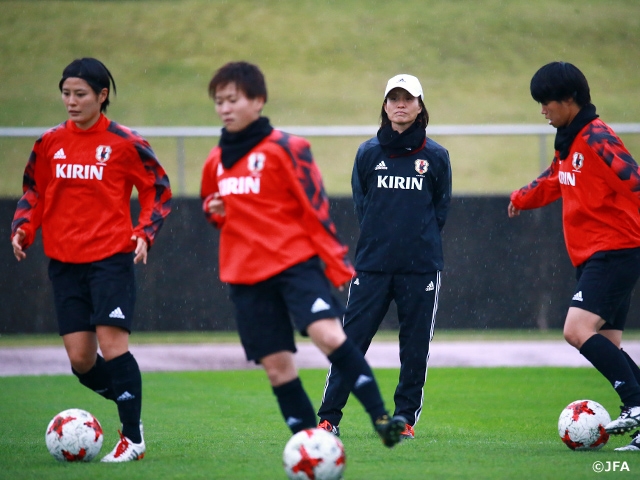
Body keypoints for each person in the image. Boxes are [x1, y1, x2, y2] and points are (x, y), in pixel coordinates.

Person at [200, 61, 406, 448]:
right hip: (245, 276)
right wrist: (216, 213)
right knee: (277, 367)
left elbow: (316, 208)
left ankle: (382, 419)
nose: (225, 108)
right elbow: (216, 211)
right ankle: (310, 448)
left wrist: (335, 262)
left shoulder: (287, 148)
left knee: (328, 334)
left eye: (233, 99)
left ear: (258, 100)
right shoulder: (215, 161)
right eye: (219, 101)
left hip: (294, 264)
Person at [11, 58, 172, 462]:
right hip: (64, 264)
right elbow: (35, 191)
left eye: (80, 94)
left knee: (113, 346)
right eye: (66, 93)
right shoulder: (49, 142)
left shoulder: (125, 143)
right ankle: (128, 405)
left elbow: (157, 188)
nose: (71, 101)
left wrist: (144, 233)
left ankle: (132, 438)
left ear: (102, 96)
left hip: (110, 260)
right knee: (82, 361)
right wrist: (23, 229)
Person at [508, 61, 640, 451]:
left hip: (615, 250)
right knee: (607, 343)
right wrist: (521, 198)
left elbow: (634, 180)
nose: (542, 110)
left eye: (545, 102)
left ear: (568, 100)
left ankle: (635, 403)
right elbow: (554, 179)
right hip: (592, 255)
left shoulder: (597, 138)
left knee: (575, 330)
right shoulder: (569, 139)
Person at [317, 74, 452, 440]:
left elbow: (440, 210)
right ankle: (329, 418)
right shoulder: (368, 153)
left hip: (420, 269)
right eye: (394, 98)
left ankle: (404, 418)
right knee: (350, 343)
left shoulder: (436, 156)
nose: (400, 104)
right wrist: (382, 241)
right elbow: (363, 205)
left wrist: (413, 244)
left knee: (414, 349)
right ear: (385, 105)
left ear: (421, 105)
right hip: (372, 267)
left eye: (408, 98)